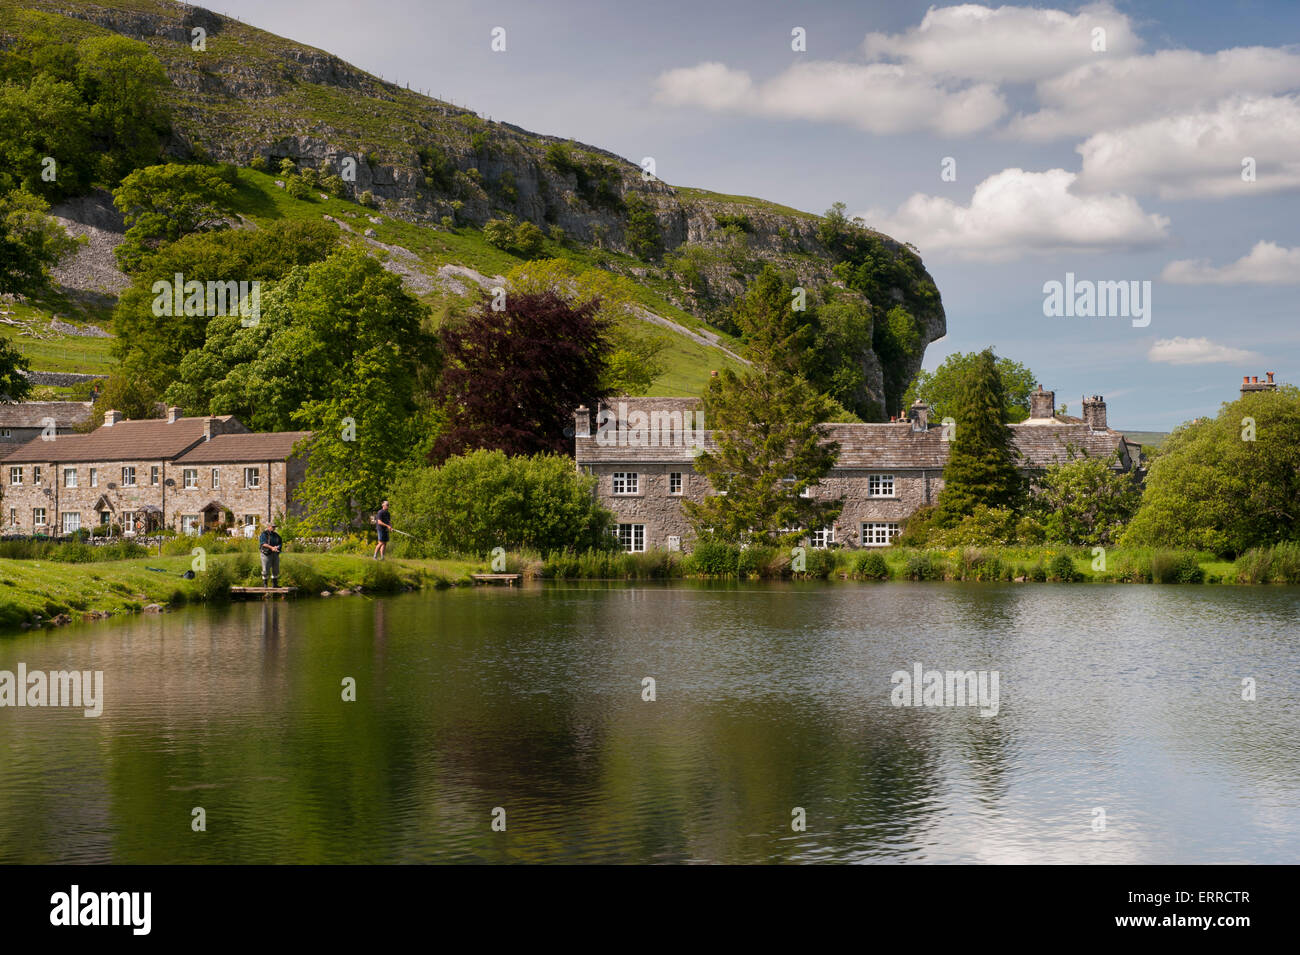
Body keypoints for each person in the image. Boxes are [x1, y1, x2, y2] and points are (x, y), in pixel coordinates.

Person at [259, 520, 283, 587]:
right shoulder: (264, 534)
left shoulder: (276, 535)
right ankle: (265, 585)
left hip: (275, 554)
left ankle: (275, 585)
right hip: (266, 554)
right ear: (269, 527)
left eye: (274, 527)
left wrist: (277, 547)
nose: (274, 528)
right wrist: (271, 548)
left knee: (275, 569)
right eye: (273, 527)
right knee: (265, 570)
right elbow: (263, 543)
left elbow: (280, 543)